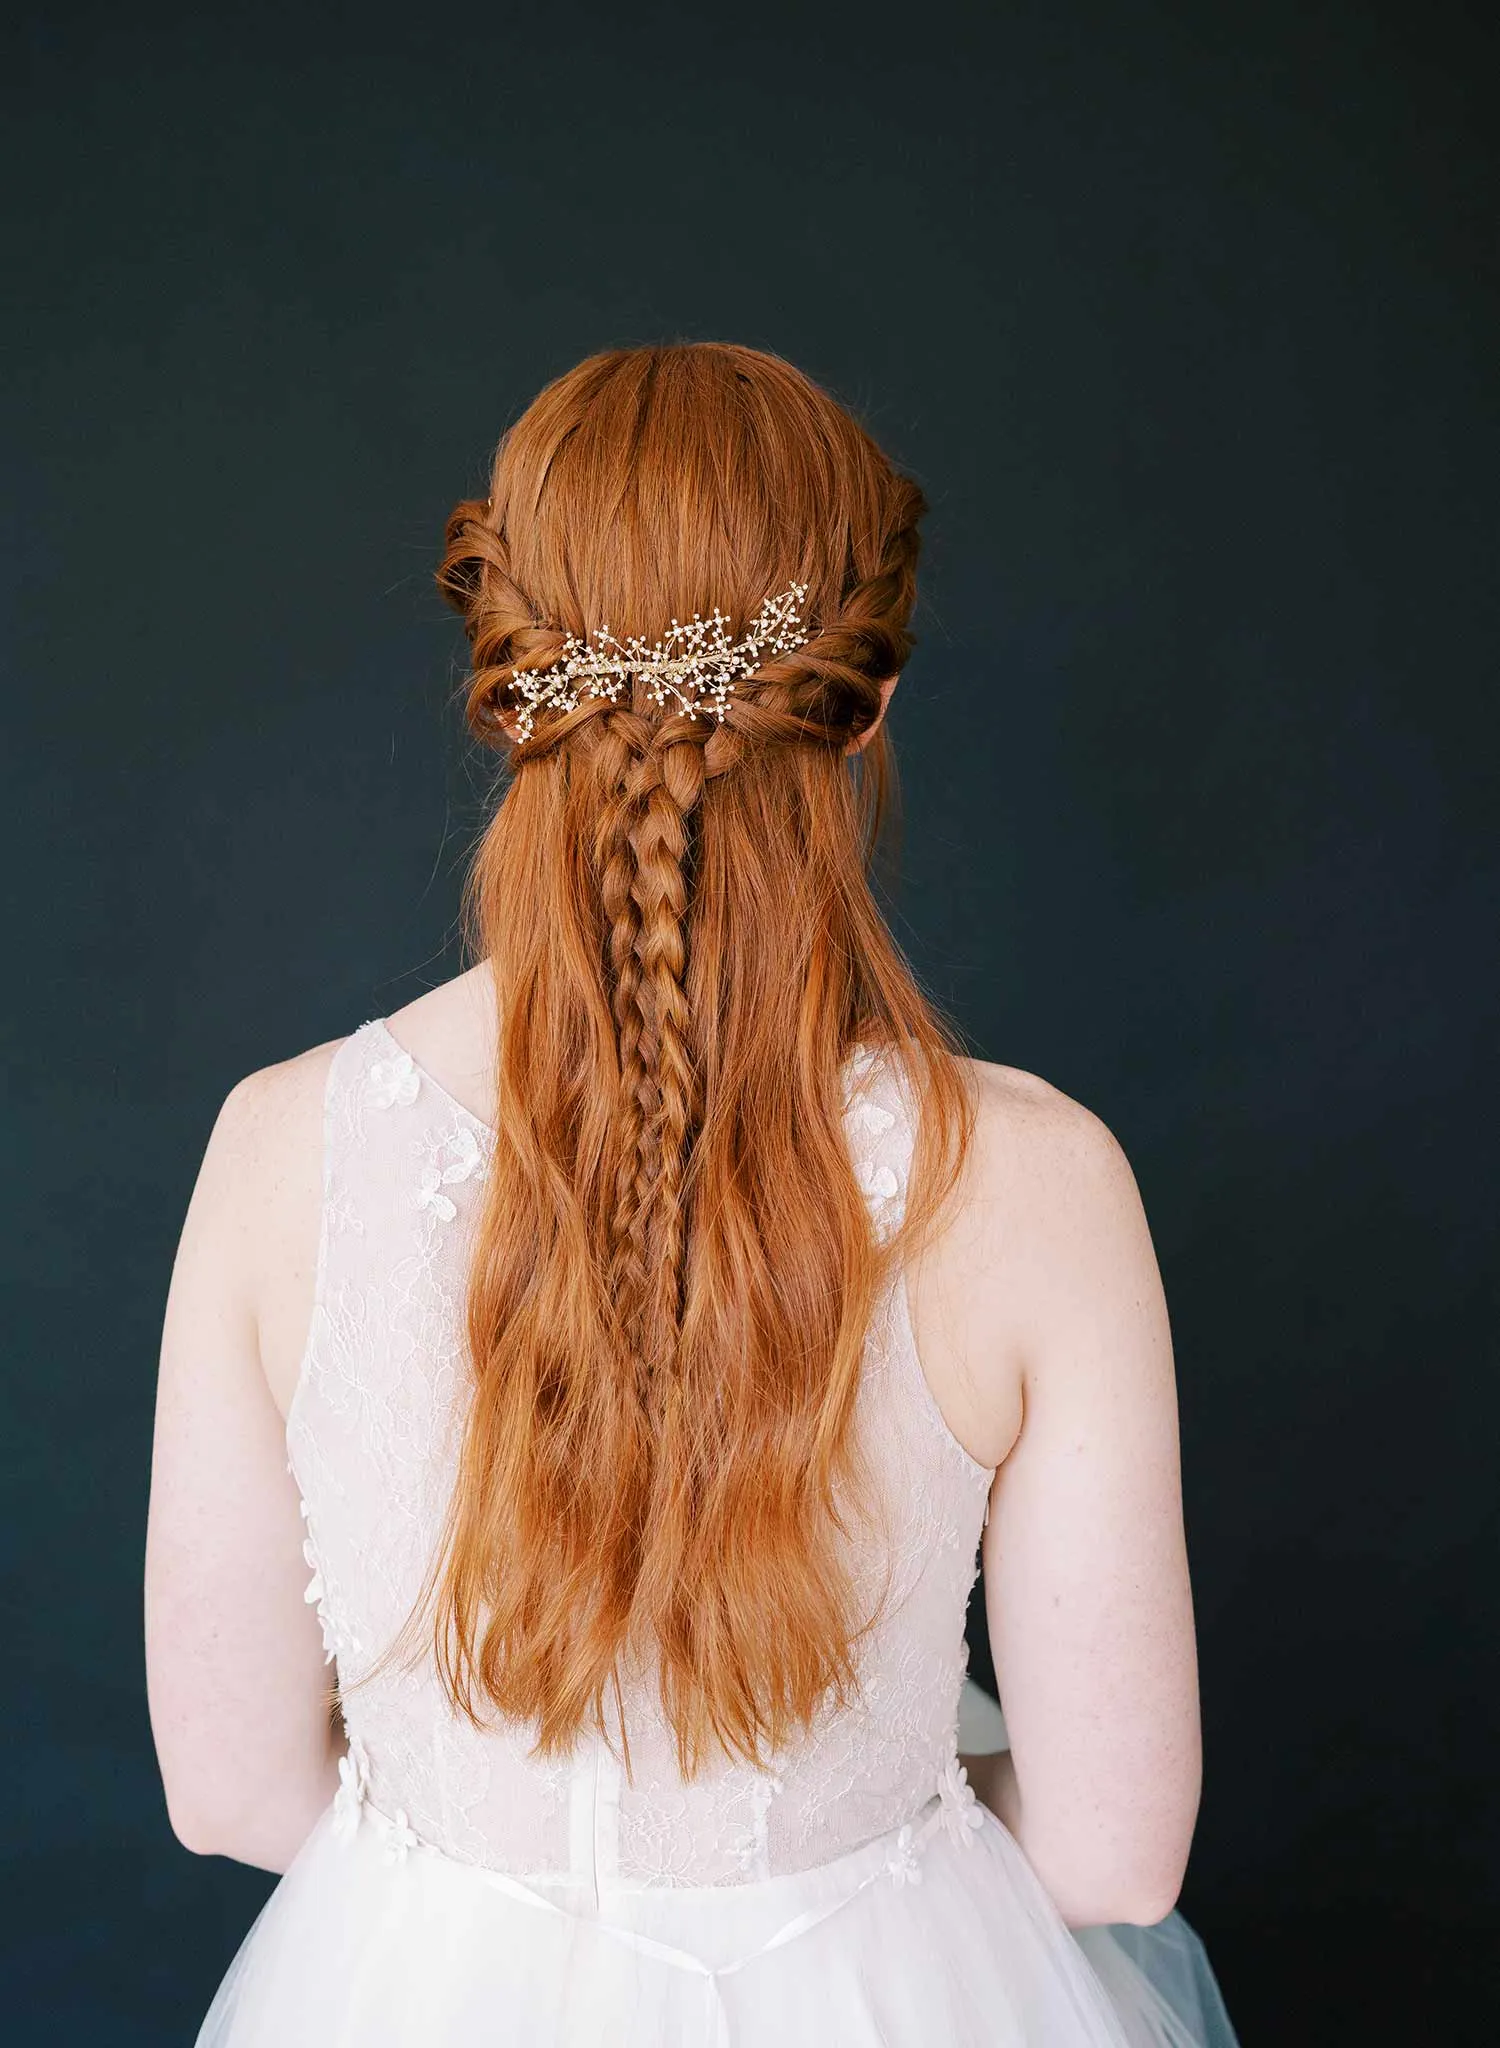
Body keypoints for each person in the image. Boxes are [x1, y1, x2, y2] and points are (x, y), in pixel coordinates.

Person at [145, 341, 1239, 2045]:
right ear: (868, 698)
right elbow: (1111, 1855)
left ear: (504, 684)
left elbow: (226, 1793)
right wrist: (844, 1842)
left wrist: (478, 1871)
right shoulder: (1035, 1179)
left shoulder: (280, 1146)